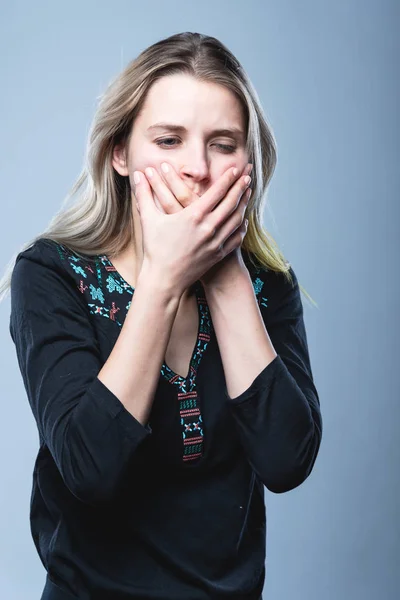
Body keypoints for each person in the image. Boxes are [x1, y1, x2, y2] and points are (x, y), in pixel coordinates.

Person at [2, 32, 323, 600]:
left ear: (249, 160)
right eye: (169, 140)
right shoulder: (51, 275)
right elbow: (90, 471)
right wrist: (164, 279)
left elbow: (286, 461)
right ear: (120, 153)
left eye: (223, 144)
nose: (197, 169)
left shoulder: (270, 286)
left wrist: (224, 276)